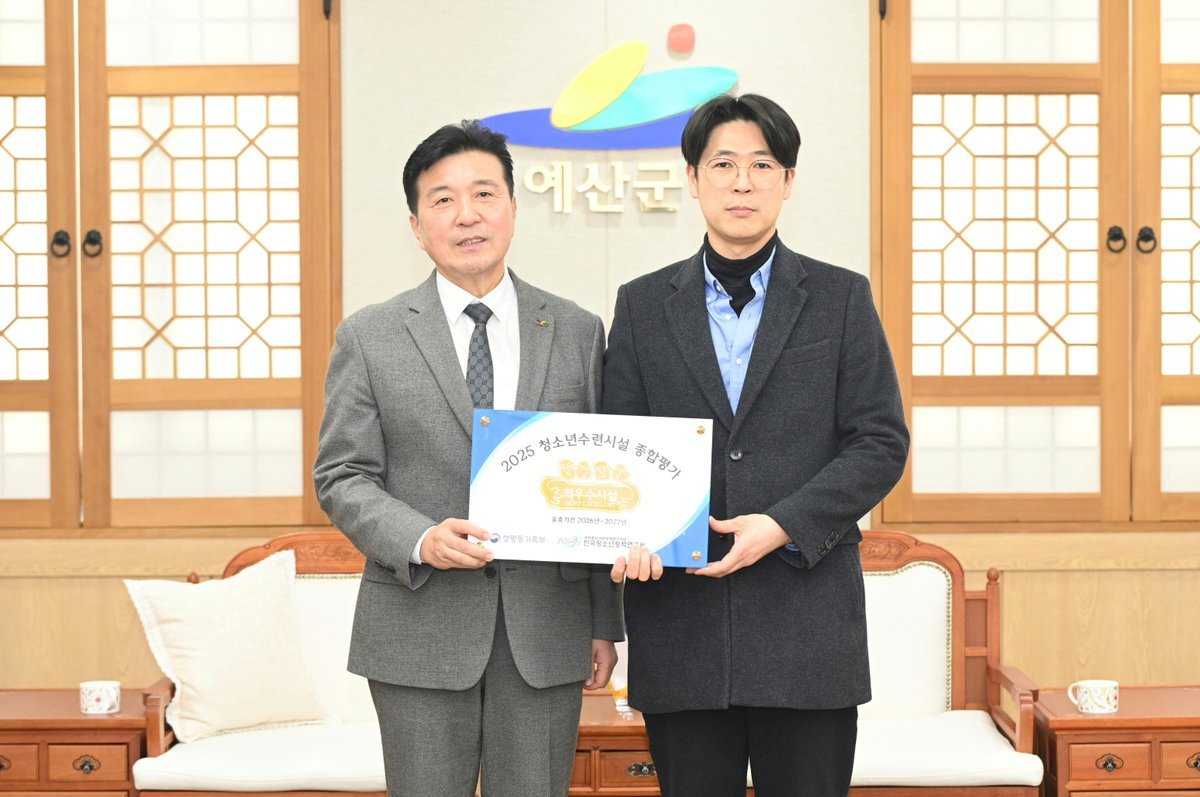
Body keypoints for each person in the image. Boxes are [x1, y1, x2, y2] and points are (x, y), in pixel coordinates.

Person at [603, 93, 909, 797]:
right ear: (692, 178)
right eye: (723, 165)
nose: (742, 182)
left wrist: (783, 524)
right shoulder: (642, 305)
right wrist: (629, 532)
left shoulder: (841, 297)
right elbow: (621, 448)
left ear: (788, 180)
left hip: (807, 629)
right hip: (682, 628)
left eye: (762, 165)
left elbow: (880, 441)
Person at [314, 120, 623, 797]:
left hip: (545, 629)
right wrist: (419, 537)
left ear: (512, 207)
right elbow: (341, 474)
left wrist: (605, 621)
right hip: (417, 629)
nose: (467, 214)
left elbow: (599, 479)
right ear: (416, 225)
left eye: (484, 194)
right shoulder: (369, 335)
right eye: (443, 199)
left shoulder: (576, 330)